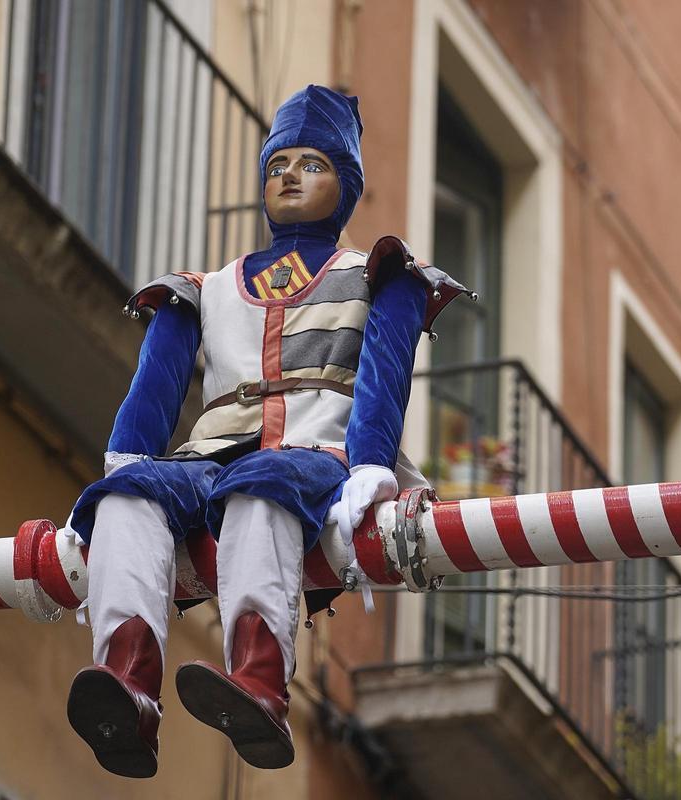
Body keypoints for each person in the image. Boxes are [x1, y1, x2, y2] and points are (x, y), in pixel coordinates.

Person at [60, 85, 468, 778]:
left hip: (317, 452)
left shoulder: (381, 273)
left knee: (262, 483)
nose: (288, 174)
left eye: (312, 163)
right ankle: (129, 686)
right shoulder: (200, 289)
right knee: (129, 495)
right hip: (206, 459)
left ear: (346, 184)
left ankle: (259, 683)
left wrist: (371, 463)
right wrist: (110, 488)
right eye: (280, 162)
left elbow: (384, 372)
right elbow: (151, 397)